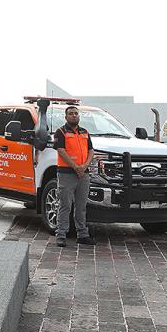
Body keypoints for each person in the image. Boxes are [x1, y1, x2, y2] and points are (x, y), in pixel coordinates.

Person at [54, 106, 96, 247]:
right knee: (65, 205)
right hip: (66, 173)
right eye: (71, 114)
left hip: (83, 174)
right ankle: (61, 235)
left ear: (79, 116)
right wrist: (75, 166)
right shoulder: (60, 132)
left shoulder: (85, 132)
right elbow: (61, 151)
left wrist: (84, 166)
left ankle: (82, 234)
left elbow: (91, 151)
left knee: (81, 206)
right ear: (66, 117)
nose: (74, 116)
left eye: (76, 113)